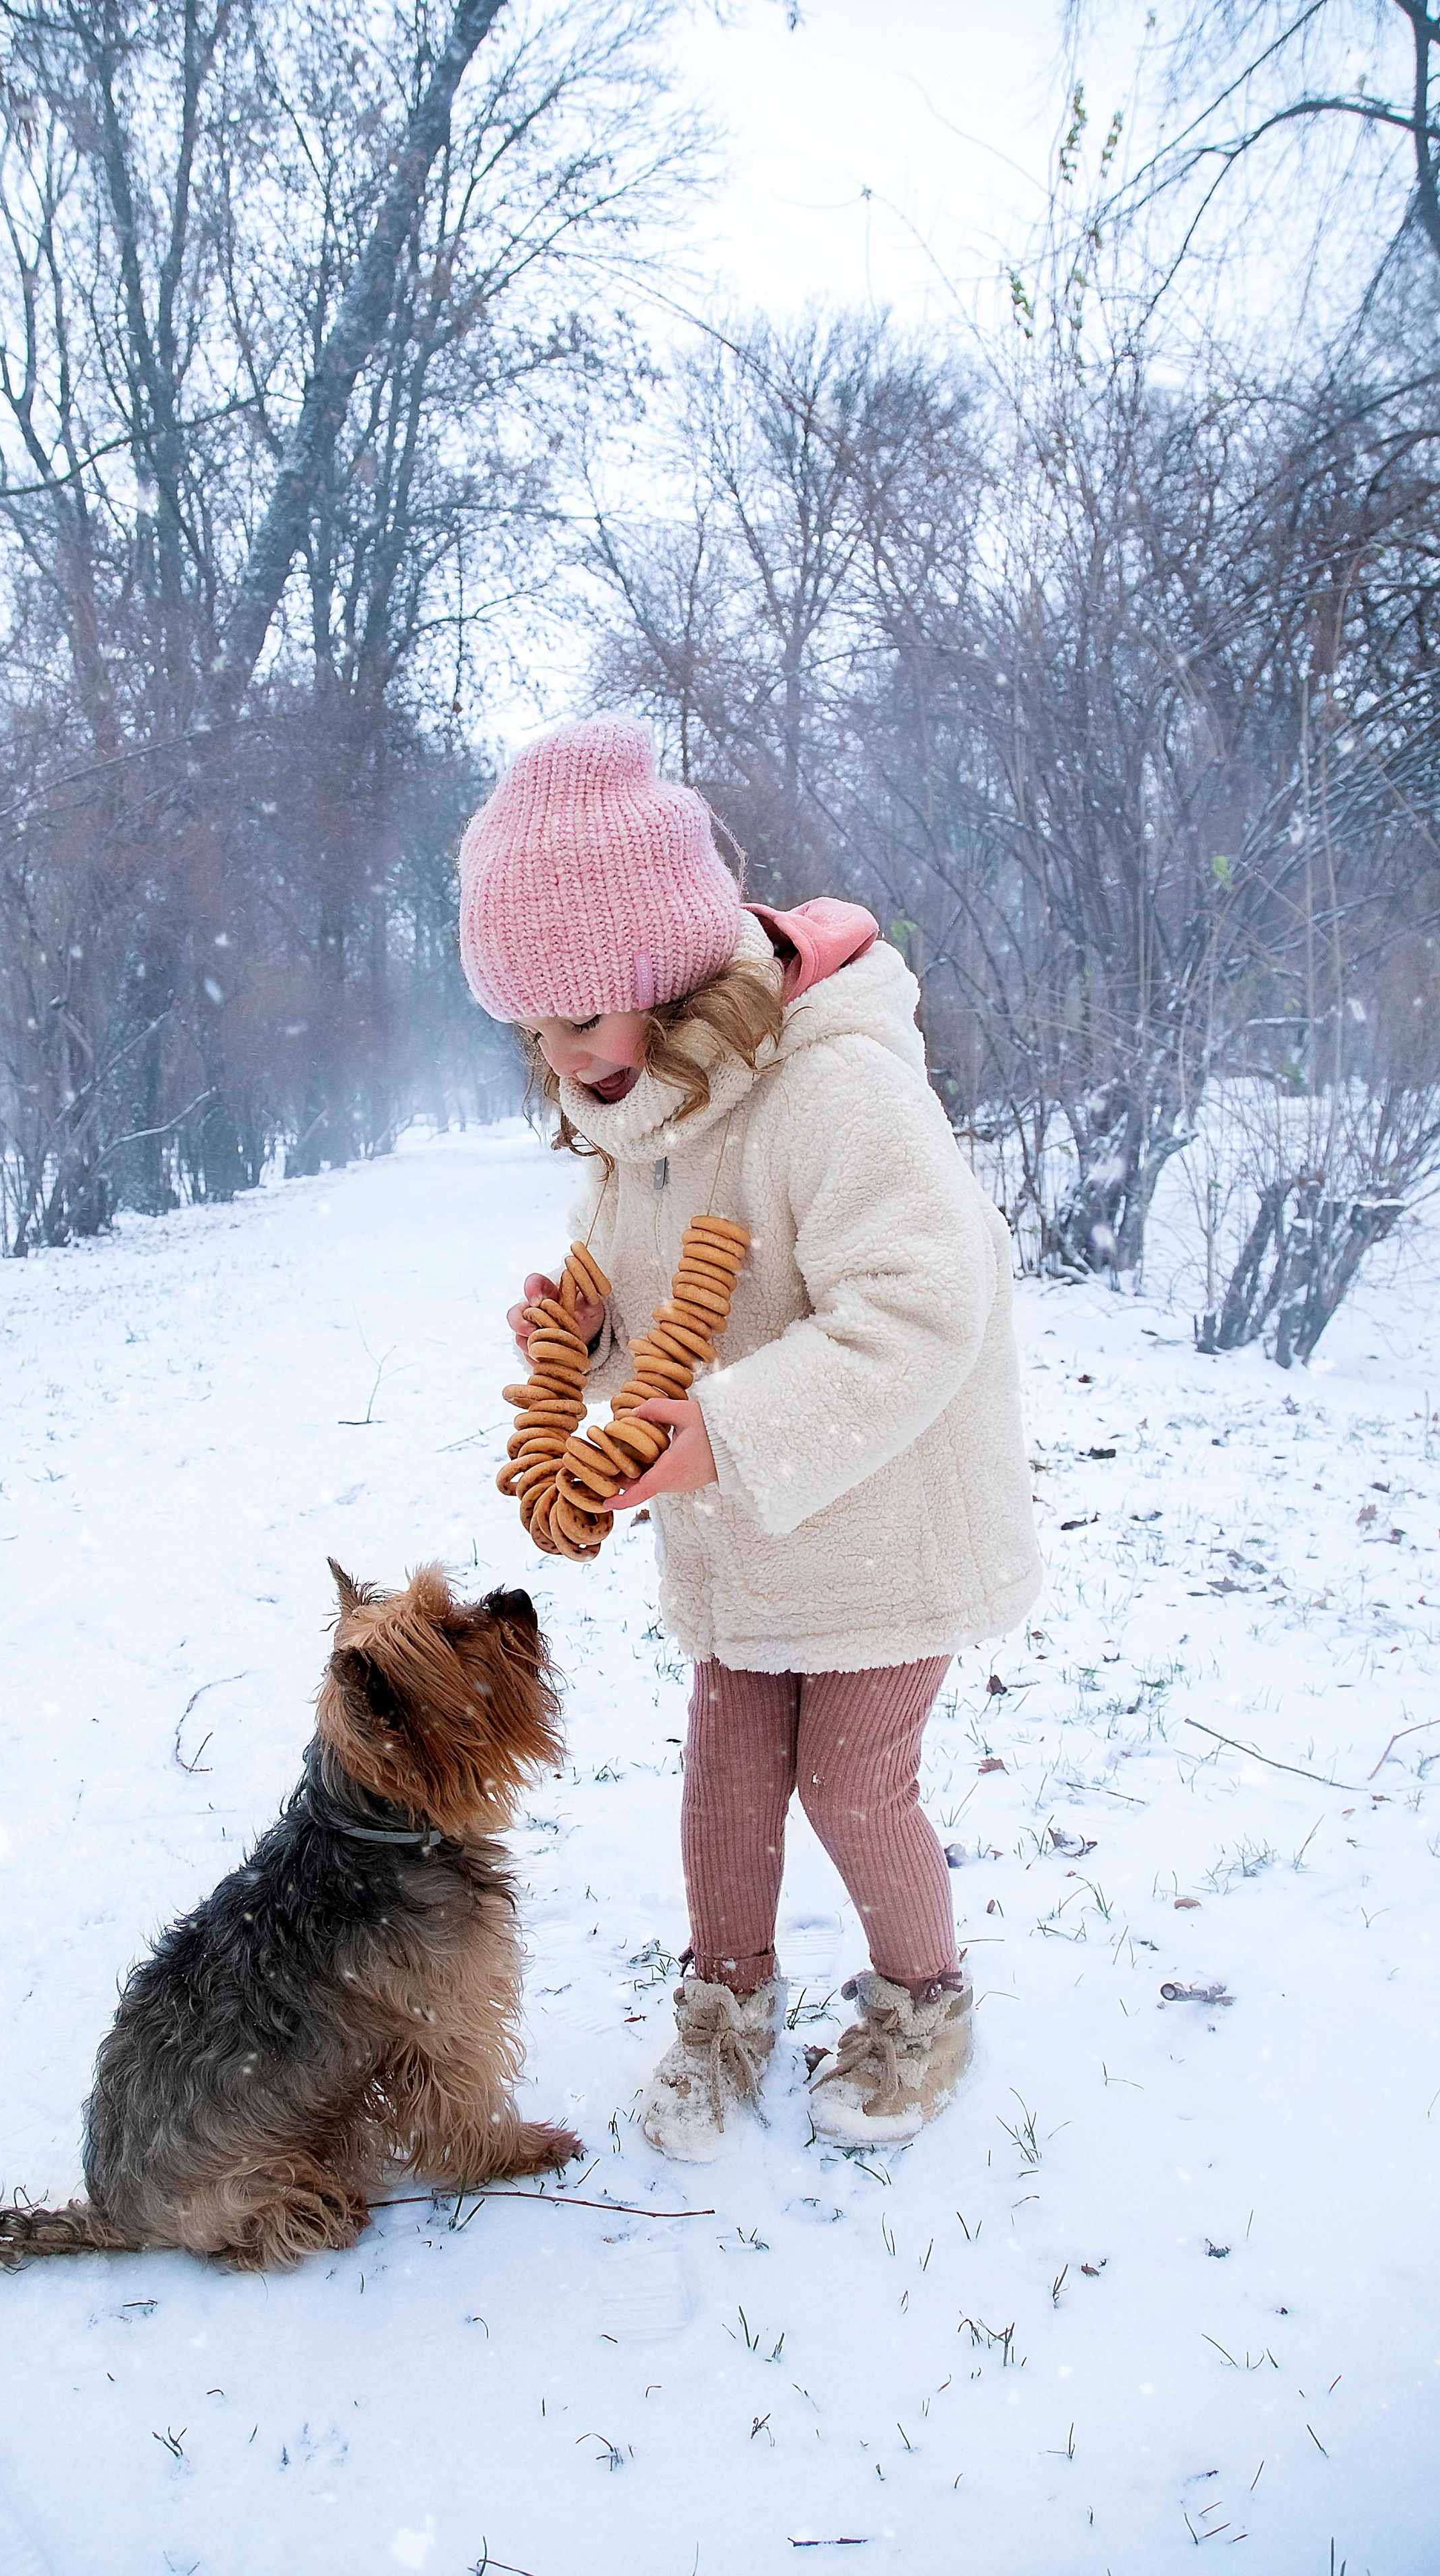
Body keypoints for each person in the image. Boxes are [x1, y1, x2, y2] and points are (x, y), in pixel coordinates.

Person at [458, 716, 1042, 2160]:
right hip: (740, 1532)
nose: (561, 1058)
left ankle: (922, 1999)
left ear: (668, 977)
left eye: (578, 1020)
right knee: (722, 1775)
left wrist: (718, 1431)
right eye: (530, 1030)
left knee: (851, 1778)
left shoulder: (837, 1091)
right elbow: (636, 1268)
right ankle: (724, 2003)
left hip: (884, 1521)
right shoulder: (637, 1105)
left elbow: (920, 1309)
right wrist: (577, 1339)